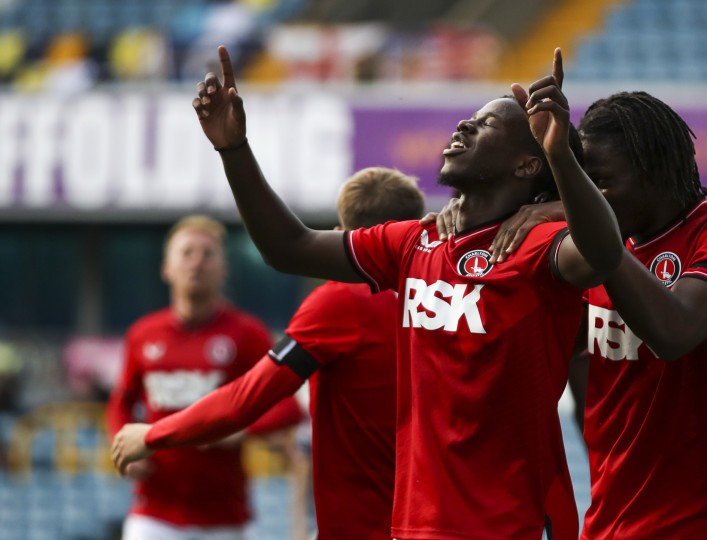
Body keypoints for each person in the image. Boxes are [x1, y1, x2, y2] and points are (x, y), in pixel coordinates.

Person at [113, 46, 625, 540]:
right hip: (416, 524)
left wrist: (561, 162)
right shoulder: (414, 243)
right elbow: (289, 246)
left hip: (512, 523)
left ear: (526, 166)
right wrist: (233, 149)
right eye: (469, 116)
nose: (465, 125)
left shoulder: (540, 247)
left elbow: (603, 252)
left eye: (487, 123)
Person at [436, 90, 707, 538]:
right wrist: (466, 226)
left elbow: (674, 332)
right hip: (608, 518)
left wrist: (591, 230)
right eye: (583, 187)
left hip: (702, 518)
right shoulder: (576, 253)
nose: (587, 201)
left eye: (601, 186)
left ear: (653, 174)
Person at [116, 168, 425, 538]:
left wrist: (152, 436)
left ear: (343, 238)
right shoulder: (451, 297)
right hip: (435, 519)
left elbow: (247, 399)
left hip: (360, 526)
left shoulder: (343, 301)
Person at [106, 215, 303, 540]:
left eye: (208, 254)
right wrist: (125, 451)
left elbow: (288, 408)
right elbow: (121, 403)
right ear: (166, 268)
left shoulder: (247, 333)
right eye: (186, 253)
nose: (197, 262)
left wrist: (240, 429)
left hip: (224, 518)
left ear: (224, 269)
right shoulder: (143, 334)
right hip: (154, 514)